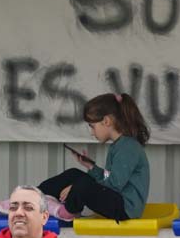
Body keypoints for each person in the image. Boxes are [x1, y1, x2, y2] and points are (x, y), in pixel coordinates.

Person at [32, 92, 151, 222]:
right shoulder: (118, 146)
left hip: (125, 209)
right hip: (116, 199)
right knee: (73, 174)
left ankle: (68, 211)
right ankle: (33, 197)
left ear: (106, 121)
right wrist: (91, 167)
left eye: (92, 126)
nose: (92, 132)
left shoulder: (128, 147)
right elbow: (108, 179)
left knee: (82, 184)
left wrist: (75, 188)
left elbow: (113, 185)